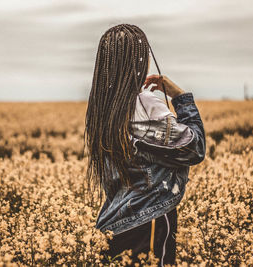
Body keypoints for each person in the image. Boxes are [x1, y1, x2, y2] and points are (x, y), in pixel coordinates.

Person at [83, 23, 206, 266]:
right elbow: (194, 147)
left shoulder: (102, 109)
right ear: (138, 62)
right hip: (147, 220)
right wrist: (180, 97)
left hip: (112, 222)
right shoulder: (145, 105)